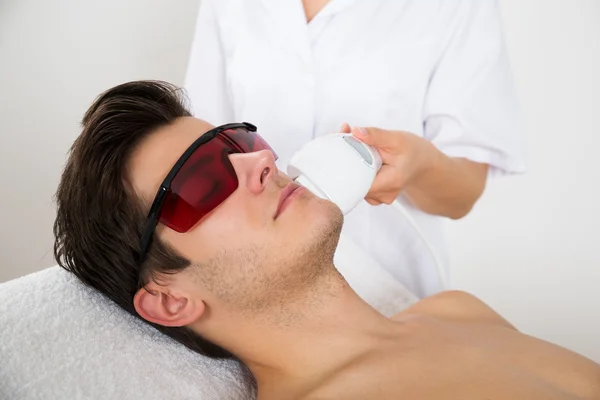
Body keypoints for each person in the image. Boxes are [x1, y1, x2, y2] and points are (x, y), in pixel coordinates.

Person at [54, 81, 598, 400]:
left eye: (238, 142)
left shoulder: (461, 312)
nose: (261, 160)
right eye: (204, 181)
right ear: (172, 299)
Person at [184, 0, 527, 301]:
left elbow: (462, 194)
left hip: (386, 290)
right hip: (261, 285)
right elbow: (201, 148)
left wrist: (417, 165)